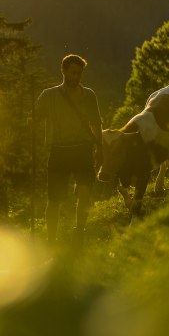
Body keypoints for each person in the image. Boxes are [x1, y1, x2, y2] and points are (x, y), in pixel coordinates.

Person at [35, 54, 103, 245]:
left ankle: (79, 231)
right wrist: (32, 124)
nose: (76, 77)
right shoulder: (49, 96)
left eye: (79, 74)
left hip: (83, 149)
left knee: (84, 193)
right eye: (73, 73)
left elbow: (97, 123)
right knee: (54, 199)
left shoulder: (89, 95)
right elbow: (35, 118)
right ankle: (51, 239)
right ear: (63, 71)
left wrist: (100, 149)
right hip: (59, 150)